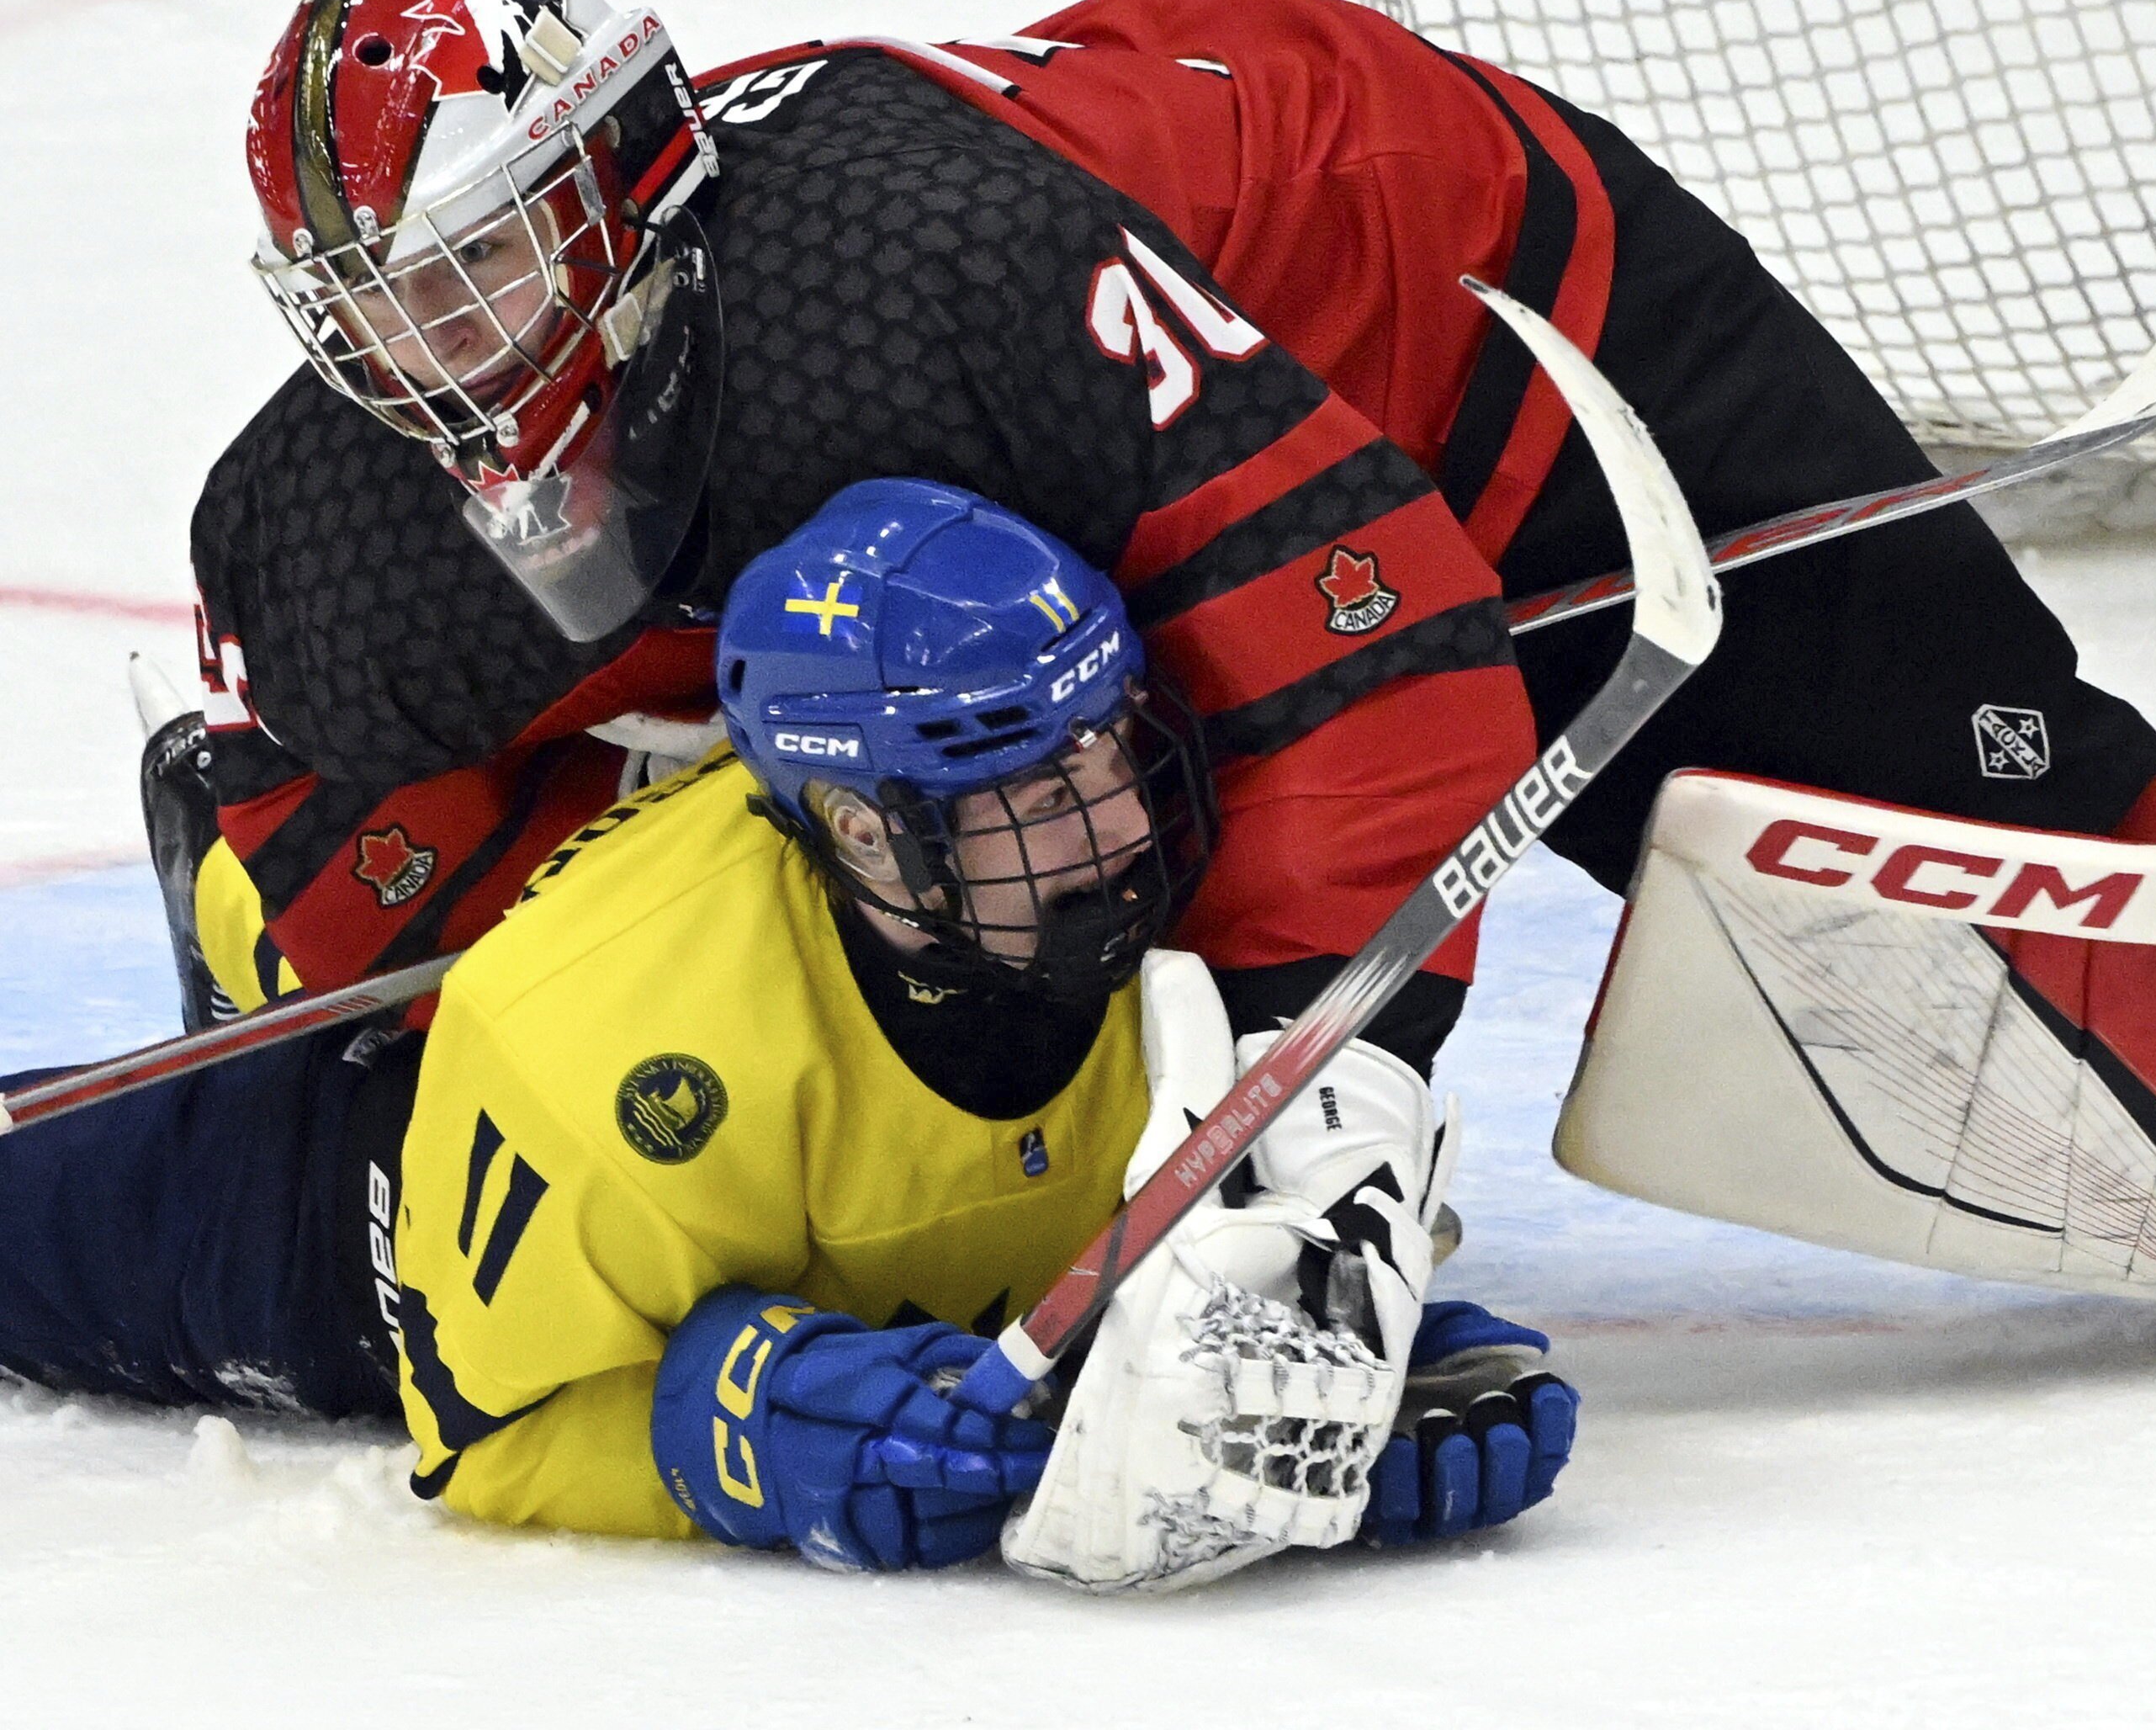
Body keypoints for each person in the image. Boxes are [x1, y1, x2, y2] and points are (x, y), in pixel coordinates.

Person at [175, 0, 2156, 1080]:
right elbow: (309, 758)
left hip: (1458, 301)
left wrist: (1312, 1121)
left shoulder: (931, 284)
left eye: (479, 266)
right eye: (368, 305)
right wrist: (338, 1011)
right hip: (1107, 416)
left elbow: (1392, 677)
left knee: (2000, 869)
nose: (428, 358)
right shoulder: (337, 510)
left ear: (619, 174)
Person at [5, 486, 1576, 1579]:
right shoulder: (593, 1040)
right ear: (867, 837)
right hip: (361, 1190)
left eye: (1109, 751)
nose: (1113, 829)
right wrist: (716, 1437)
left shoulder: (1188, 913)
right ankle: (236, 890)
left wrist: (1351, 1353)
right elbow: (484, 1429)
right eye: (1035, 794)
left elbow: (1234, 1260)